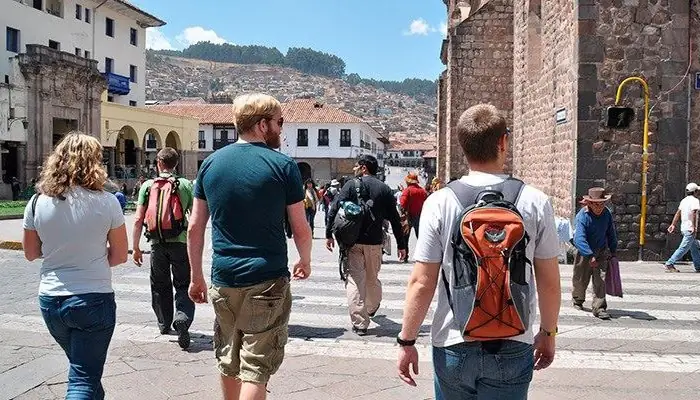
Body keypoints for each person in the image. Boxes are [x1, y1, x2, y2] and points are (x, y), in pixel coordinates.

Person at [397, 104, 561, 398]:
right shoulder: (535, 201)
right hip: (514, 341)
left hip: (453, 342)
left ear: (462, 146)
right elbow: (549, 281)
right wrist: (548, 333)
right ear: (503, 142)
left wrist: (407, 341)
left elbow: (422, 282)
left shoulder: (440, 201)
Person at [187, 93, 312, 400]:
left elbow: (194, 227)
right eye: (279, 123)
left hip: (223, 278)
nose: (281, 130)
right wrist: (305, 259)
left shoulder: (211, 164)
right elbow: (300, 227)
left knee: (228, 359)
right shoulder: (283, 166)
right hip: (266, 278)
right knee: (256, 367)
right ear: (262, 124)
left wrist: (195, 277)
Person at [22, 132, 128, 399]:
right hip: (92, 299)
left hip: (51, 300)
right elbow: (119, 256)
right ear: (94, 162)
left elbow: (31, 253)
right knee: (82, 379)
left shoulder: (37, 202)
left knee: (84, 371)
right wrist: (90, 253)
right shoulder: (108, 202)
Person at [326, 155, 407, 335]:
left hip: (352, 241)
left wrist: (328, 234)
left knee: (355, 280)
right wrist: (402, 245)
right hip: (374, 243)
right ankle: (371, 308)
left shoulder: (349, 185)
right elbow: (394, 219)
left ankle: (360, 322)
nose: (355, 168)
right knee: (372, 279)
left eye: (358, 166)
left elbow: (333, 209)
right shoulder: (384, 189)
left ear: (364, 168)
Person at [132, 148, 195, 349]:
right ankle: (183, 318)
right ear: (176, 164)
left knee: (159, 285)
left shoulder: (148, 186)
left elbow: (138, 219)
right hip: (180, 243)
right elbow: (194, 219)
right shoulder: (185, 185)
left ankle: (163, 323)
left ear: (159, 163)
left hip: (157, 244)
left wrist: (135, 247)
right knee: (183, 283)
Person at [572, 187, 618, 320]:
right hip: (584, 251)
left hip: (601, 250)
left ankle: (599, 307)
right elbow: (579, 238)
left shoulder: (607, 214)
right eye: (596, 204)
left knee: (600, 279)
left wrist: (613, 250)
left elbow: (611, 233)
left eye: (602, 203)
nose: (599, 207)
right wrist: (589, 255)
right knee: (581, 278)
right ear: (589, 203)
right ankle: (578, 299)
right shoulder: (583, 216)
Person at [664, 182, 700, 272]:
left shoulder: (684, 200)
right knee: (683, 247)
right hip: (689, 228)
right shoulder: (695, 201)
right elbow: (694, 213)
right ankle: (670, 263)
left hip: (684, 228)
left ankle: (698, 266)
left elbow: (678, 213)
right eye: (698, 191)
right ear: (695, 191)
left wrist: (673, 224)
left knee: (694, 247)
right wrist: (694, 226)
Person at [400, 172, 428, 258]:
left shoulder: (407, 190)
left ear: (408, 182)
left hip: (409, 216)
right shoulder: (422, 191)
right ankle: (423, 254)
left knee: (405, 237)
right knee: (420, 237)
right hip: (420, 216)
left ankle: (405, 256)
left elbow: (402, 204)